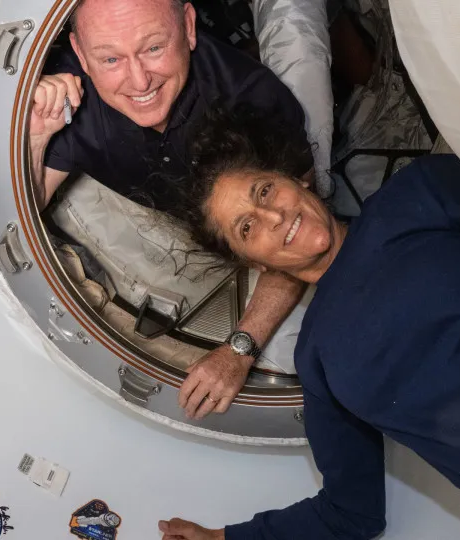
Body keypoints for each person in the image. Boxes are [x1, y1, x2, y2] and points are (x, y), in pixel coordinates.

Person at [156, 106, 460, 540]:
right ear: (256, 264)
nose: (273, 215)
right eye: (247, 227)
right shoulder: (317, 359)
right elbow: (350, 514)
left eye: (264, 190)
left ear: (297, 180)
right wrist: (223, 538)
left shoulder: (419, 193)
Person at [29, 0, 318, 417]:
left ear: (188, 26)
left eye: (153, 48)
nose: (139, 80)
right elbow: (28, 203)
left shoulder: (251, 99)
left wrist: (240, 349)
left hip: (252, 219)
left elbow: (300, 232)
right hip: (169, 214)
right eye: (110, 59)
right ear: (80, 52)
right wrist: (38, 136)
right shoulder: (67, 91)